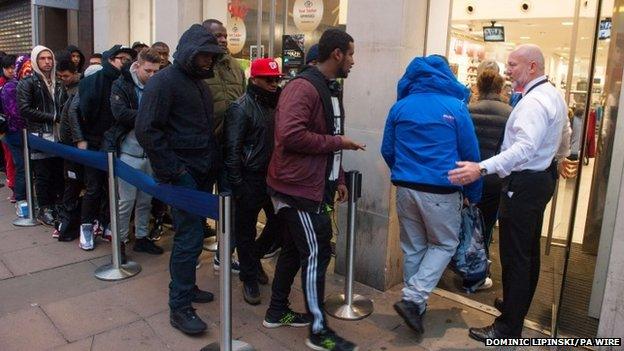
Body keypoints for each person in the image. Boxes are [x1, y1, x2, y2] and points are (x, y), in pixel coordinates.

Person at [448, 44, 571, 340]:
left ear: (532, 67)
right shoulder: (552, 94)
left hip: (525, 183)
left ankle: (507, 327)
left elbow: (524, 148)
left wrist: (481, 168)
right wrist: (559, 158)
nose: (507, 70)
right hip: (540, 179)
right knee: (527, 250)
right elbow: (566, 133)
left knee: (515, 256)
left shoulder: (532, 102)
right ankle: (517, 307)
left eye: (513, 64)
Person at [264, 28, 363, 351]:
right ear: (336, 54)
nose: (353, 61)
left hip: (313, 186)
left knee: (295, 250)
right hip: (298, 190)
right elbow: (290, 135)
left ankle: (276, 311)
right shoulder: (303, 87)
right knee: (317, 255)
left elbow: (328, 135)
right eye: (350, 54)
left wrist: (341, 179)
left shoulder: (328, 88)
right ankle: (319, 331)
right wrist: (339, 143)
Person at [381, 54, 482, 335]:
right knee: (444, 245)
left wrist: (404, 171)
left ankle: (416, 307)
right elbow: (470, 156)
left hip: (405, 188)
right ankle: (413, 299)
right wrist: (473, 193)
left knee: (414, 247)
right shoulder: (456, 108)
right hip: (442, 189)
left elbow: (387, 150)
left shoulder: (399, 107)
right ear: (446, 75)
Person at [136, 24, 224, 335]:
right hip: (182, 175)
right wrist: (175, 171)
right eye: (204, 55)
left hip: (199, 172)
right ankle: (180, 305)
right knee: (187, 239)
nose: (209, 61)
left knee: (194, 236)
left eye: (212, 56)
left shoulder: (200, 85)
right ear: (189, 52)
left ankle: (186, 287)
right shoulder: (163, 82)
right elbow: (147, 130)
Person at [223, 57, 282, 305]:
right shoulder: (241, 107)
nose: (273, 83)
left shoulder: (278, 104)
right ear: (254, 79)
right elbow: (232, 149)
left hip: (274, 177)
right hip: (250, 177)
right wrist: (237, 183)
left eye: (277, 79)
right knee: (245, 230)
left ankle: (252, 258)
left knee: (280, 222)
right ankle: (248, 275)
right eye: (268, 79)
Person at [107, 48, 164, 261]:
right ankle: (119, 242)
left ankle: (142, 237)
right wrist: (150, 117)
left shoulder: (157, 85)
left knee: (145, 201)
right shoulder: (121, 83)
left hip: (150, 153)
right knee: (125, 202)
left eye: (156, 71)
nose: (152, 75)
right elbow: (120, 114)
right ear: (137, 66)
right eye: (148, 71)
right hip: (128, 152)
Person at [77, 45, 136, 250]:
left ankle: (107, 223)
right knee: (93, 187)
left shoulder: (128, 81)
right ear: (111, 59)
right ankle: (86, 226)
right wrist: (81, 138)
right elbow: (78, 111)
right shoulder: (93, 81)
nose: (127, 62)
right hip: (94, 142)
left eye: (130, 59)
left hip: (119, 142)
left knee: (114, 188)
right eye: (123, 58)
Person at [202, 18, 246, 271]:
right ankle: (191, 254)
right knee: (197, 203)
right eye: (217, 35)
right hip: (204, 149)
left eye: (225, 35)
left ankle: (224, 254)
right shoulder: (198, 67)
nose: (222, 39)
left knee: (230, 204)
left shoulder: (236, 67)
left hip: (231, 148)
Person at [467, 67, 513, 290]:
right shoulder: (509, 113)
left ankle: (463, 262)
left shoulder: (468, 110)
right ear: (500, 88)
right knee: (485, 227)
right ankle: (479, 269)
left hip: (468, 176)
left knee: (466, 222)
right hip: (494, 179)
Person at [17, 45, 66, 226]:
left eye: (49, 58)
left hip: (58, 136)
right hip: (39, 135)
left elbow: (63, 106)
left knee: (57, 173)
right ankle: (44, 208)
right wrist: (53, 117)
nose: (47, 62)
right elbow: (24, 109)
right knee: (42, 174)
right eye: (43, 58)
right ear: (36, 61)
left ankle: (57, 206)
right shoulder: (28, 82)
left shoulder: (58, 82)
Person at [55, 53, 83, 241]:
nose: (63, 79)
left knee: (74, 183)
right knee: (70, 182)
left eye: (66, 76)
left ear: (74, 73)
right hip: (66, 144)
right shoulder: (62, 88)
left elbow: (73, 116)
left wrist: (78, 140)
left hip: (75, 145)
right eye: (60, 76)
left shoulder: (81, 88)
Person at [2, 55, 30, 216]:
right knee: (21, 166)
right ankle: (21, 200)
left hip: (27, 133)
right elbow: (15, 113)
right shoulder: (10, 88)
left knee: (27, 166)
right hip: (14, 133)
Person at [0, 54, 16, 201]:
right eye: (8, 68)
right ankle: (14, 189)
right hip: (5, 129)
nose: (11, 70)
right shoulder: (2, 84)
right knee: (10, 158)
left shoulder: (18, 82)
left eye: (13, 67)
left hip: (16, 128)